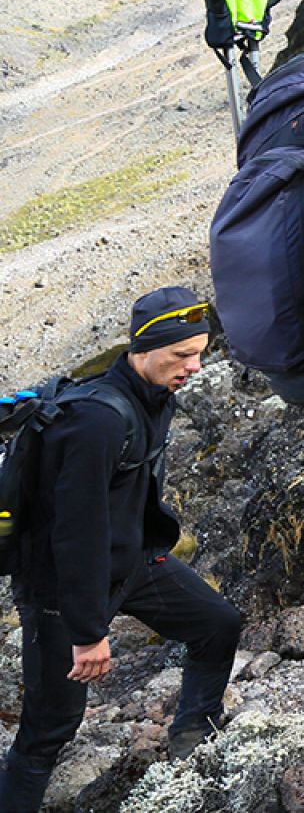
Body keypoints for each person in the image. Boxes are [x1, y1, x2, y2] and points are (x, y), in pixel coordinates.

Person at [0, 287, 241, 812]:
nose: (195, 367)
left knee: (217, 622)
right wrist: (89, 634)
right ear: (144, 347)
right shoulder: (98, 421)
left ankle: (191, 739)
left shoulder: (153, 395)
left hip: (130, 563)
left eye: (200, 353)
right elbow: (76, 532)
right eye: (182, 355)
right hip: (62, 587)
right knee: (49, 729)